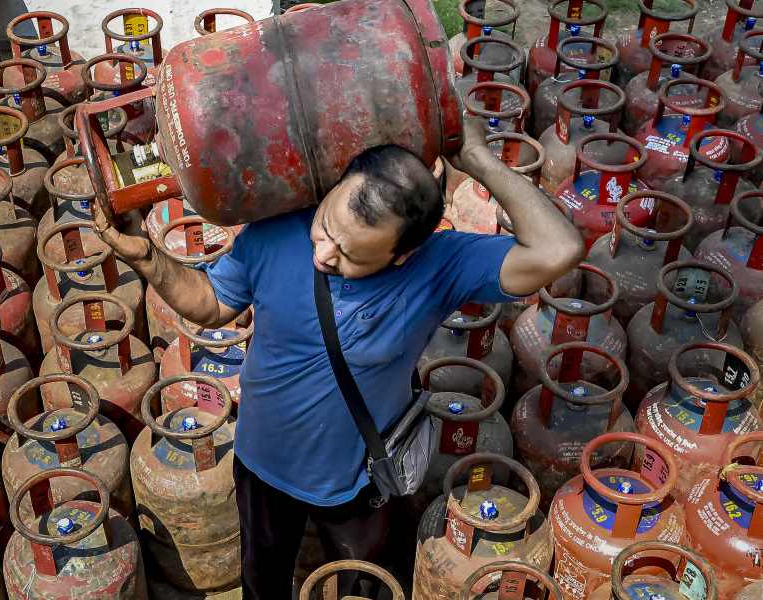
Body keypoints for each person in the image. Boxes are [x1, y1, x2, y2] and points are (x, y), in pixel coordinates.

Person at [93, 117, 583, 599]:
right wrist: (147, 257)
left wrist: (476, 158)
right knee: (262, 583)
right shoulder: (277, 231)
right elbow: (211, 304)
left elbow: (559, 247)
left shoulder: (440, 265)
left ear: (403, 255)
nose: (323, 255)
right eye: (325, 226)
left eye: (351, 255)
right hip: (263, 463)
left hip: (357, 482)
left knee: (361, 587)